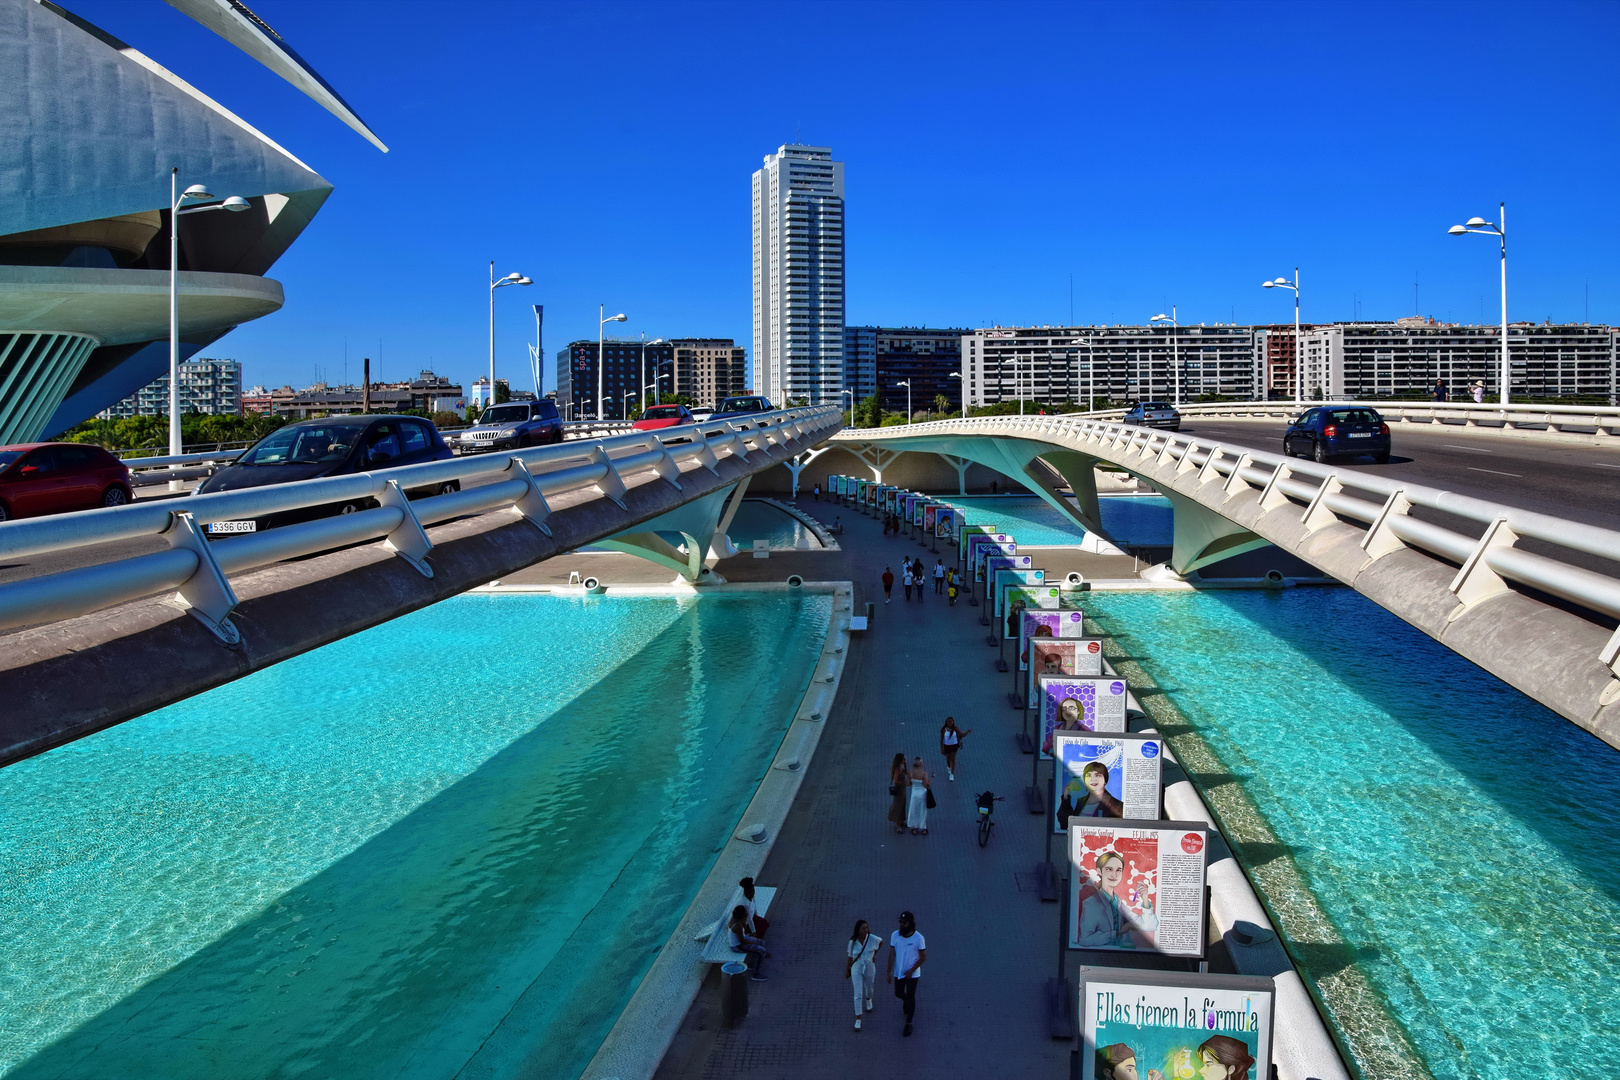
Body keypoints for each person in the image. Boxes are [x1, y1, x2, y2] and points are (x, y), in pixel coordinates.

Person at [1077, 851, 1157, 950]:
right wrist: (1118, 933)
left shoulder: (1118, 902)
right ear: (1099, 871)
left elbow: (1149, 926)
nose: (1114, 875)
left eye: (1118, 870)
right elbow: (1084, 940)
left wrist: (1145, 899)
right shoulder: (1091, 903)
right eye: (1109, 869)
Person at [887, 910, 926, 1036]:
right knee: (898, 993)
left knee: (911, 995)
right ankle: (906, 1001)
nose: (902, 924)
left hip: (912, 974)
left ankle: (908, 1023)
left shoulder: (918, 938)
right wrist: (888, 971)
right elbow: (892, 954)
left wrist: (912, 970)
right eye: (900, 922)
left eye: (904, 922)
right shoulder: (895, 935)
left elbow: (923, 957)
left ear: (910, 923)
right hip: (899, 972)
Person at [1057, 761, 1124, 829]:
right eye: (1088, 775)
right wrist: (1066, 797)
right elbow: (1066, 823)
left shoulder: (1117, 805)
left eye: (1097, 775)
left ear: (1105, 780)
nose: (1092, 779)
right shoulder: (1081, 801)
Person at [845, 919, 882, 1030]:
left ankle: (868, 998)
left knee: (869, 987)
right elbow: (850, 957)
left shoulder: (872, 938)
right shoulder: (852, 942)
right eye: (863, 928)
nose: (866, 930)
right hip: (857, 967)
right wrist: (847, 970)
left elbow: (881, 942)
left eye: (866, 927)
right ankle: (858, 1018)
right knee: (857, 993)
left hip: (869, 965)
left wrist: (874, 955)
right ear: (858, 930)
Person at [728, 904, 770, 980]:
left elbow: (744, 934)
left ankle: (752, 964)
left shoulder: (735, 920)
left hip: (741, 940)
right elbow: (743, 941)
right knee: (762, 951)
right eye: (745, 915)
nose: (747, 915)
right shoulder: (738, 926)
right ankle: (756, 974)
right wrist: (753, 943)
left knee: (761, 942)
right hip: (738, 946)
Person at [906, 756, 932, 835]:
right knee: (922, 811)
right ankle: (923, 827)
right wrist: (930, 779)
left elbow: (908, 783)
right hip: (922, 794)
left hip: (914, 794)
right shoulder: (924, 774)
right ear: (920, 764)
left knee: (914, 810)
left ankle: (914, 827)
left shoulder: (911, 773)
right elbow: (925, 785)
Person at [887, 753, 909, 834]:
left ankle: (901, 821)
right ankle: (897, 824)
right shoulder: (897, 770)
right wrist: (903, 782)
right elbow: (896, 781)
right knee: (898, 806)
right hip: (899, 791)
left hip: (902, 791)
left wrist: (906, 766)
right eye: (903, 759)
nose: (904, 761)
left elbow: (907, 773)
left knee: (902, 805)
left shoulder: (901, 768)